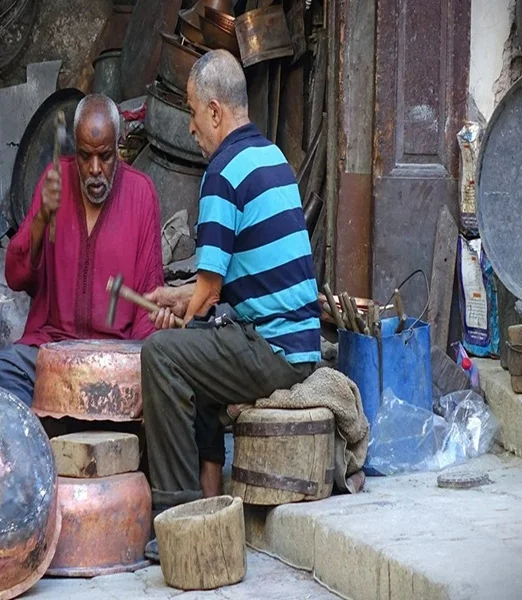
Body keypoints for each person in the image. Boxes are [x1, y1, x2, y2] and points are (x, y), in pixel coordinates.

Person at [141, 50, 321, 559]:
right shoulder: (272, 158)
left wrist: (185, 307)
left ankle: (176, 514)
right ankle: (210, 489)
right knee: (193, 344)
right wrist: (185, 302)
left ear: (216, 111)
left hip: (274, 349)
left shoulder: (221, 171)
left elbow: (208, 294)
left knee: (161, 356)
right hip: (297, 343)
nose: (192, 128)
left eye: (195, 113)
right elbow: (215, 289)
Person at [0, 93, 164, 406]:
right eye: (84, 156)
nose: (94, 168)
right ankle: (37, 449)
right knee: (2, 368)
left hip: (113, 359)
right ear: (75, 151)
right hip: (53, 350)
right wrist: (42, 217)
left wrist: (132, 365)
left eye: (105, 156)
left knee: (155, 384)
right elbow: (16, 276)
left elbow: (149, 302)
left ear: (119, 148)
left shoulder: (141, 193)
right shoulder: (55, 181)